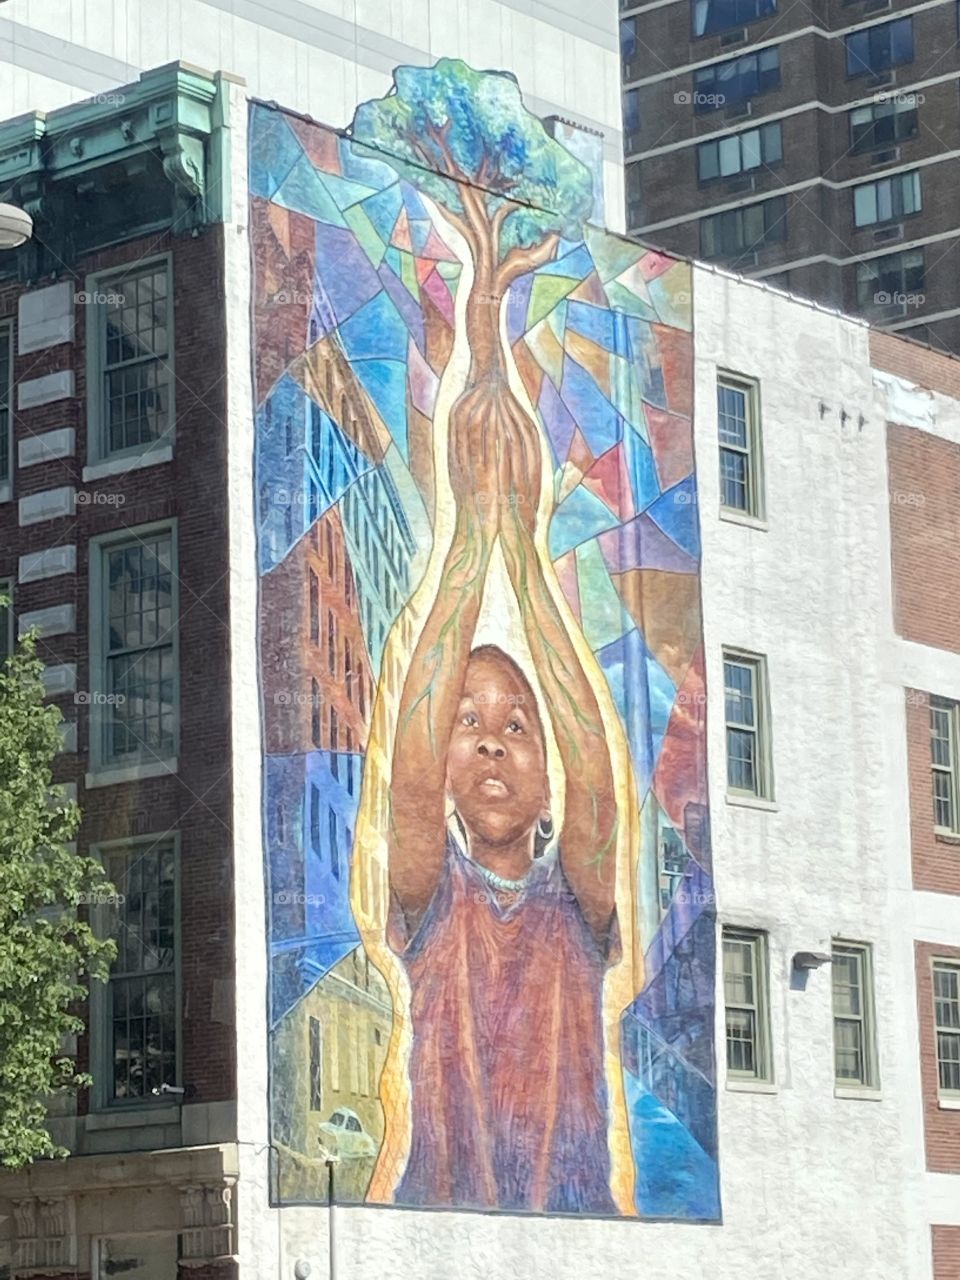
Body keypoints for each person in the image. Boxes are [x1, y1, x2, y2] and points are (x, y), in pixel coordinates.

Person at [386, 392, 621, 1213]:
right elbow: (406, 769)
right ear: (446, 768)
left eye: (517, 726)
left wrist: (521, 549)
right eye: (470, 722)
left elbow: (597, 770)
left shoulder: (576, 902)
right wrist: (465, 543)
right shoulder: (430, 894)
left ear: (547, 778)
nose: (491, 741)